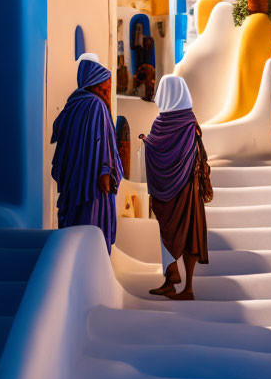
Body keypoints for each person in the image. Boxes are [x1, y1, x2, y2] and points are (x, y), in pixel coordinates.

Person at [140, 75, 209, 300]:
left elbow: (159, 151)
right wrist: (149, 142)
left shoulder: (162, 123)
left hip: (178, 190)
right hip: (189, 188)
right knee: (190, 234)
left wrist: (147, 142)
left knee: (169, 232)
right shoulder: (189, 122)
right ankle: (174, 282)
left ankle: (186, 287)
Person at [51, 54, 123, 252]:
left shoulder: (72, 104)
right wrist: (107, 171)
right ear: (95, 83)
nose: (108, 92)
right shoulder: (97, 106)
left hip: (73, 183)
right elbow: (103, 143)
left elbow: (61, 144)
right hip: (93, 184)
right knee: (92, 229)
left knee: (73, 230)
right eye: (105, 87)